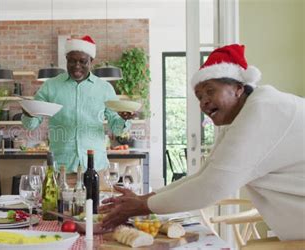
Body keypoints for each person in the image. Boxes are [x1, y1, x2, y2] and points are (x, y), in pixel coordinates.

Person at [100, 44, 305, 241]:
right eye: (199, 96)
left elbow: (212, 186)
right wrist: (143, 199)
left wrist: (141, 206)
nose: (203, 101)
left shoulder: (262, 111)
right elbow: (203, 175)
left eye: (210, 91)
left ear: (238, 88)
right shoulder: (246, 114)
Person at [22, 35, 134, 179]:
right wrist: (29, 113)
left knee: (97, 202)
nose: (77, 66)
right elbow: (31, 124)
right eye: (72, 61)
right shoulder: (50, 86)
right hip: (61, 168)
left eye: (82, 61)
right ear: (66, 59)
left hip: (96, 168)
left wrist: (124, 119)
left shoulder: (104, 88)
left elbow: (117, 128)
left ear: (91, 61)